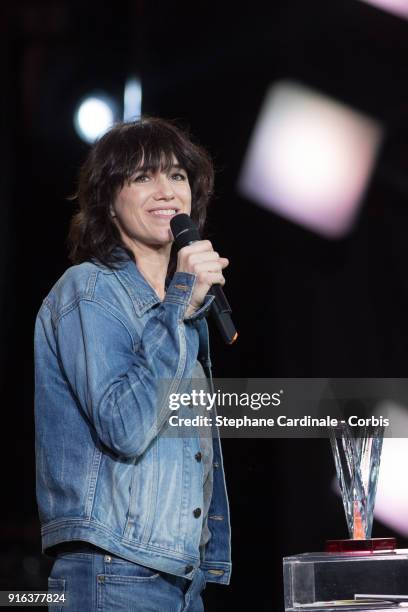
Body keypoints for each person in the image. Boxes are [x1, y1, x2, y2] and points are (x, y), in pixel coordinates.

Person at [34, 117, 232, 611]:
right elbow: (125, 425)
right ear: (108, 202)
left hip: (179, 580)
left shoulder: (181, 312)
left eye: (178, 176)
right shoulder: (90, 291)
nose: (166, 191)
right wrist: (182, 302)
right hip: (113, 575)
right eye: (143, 177)